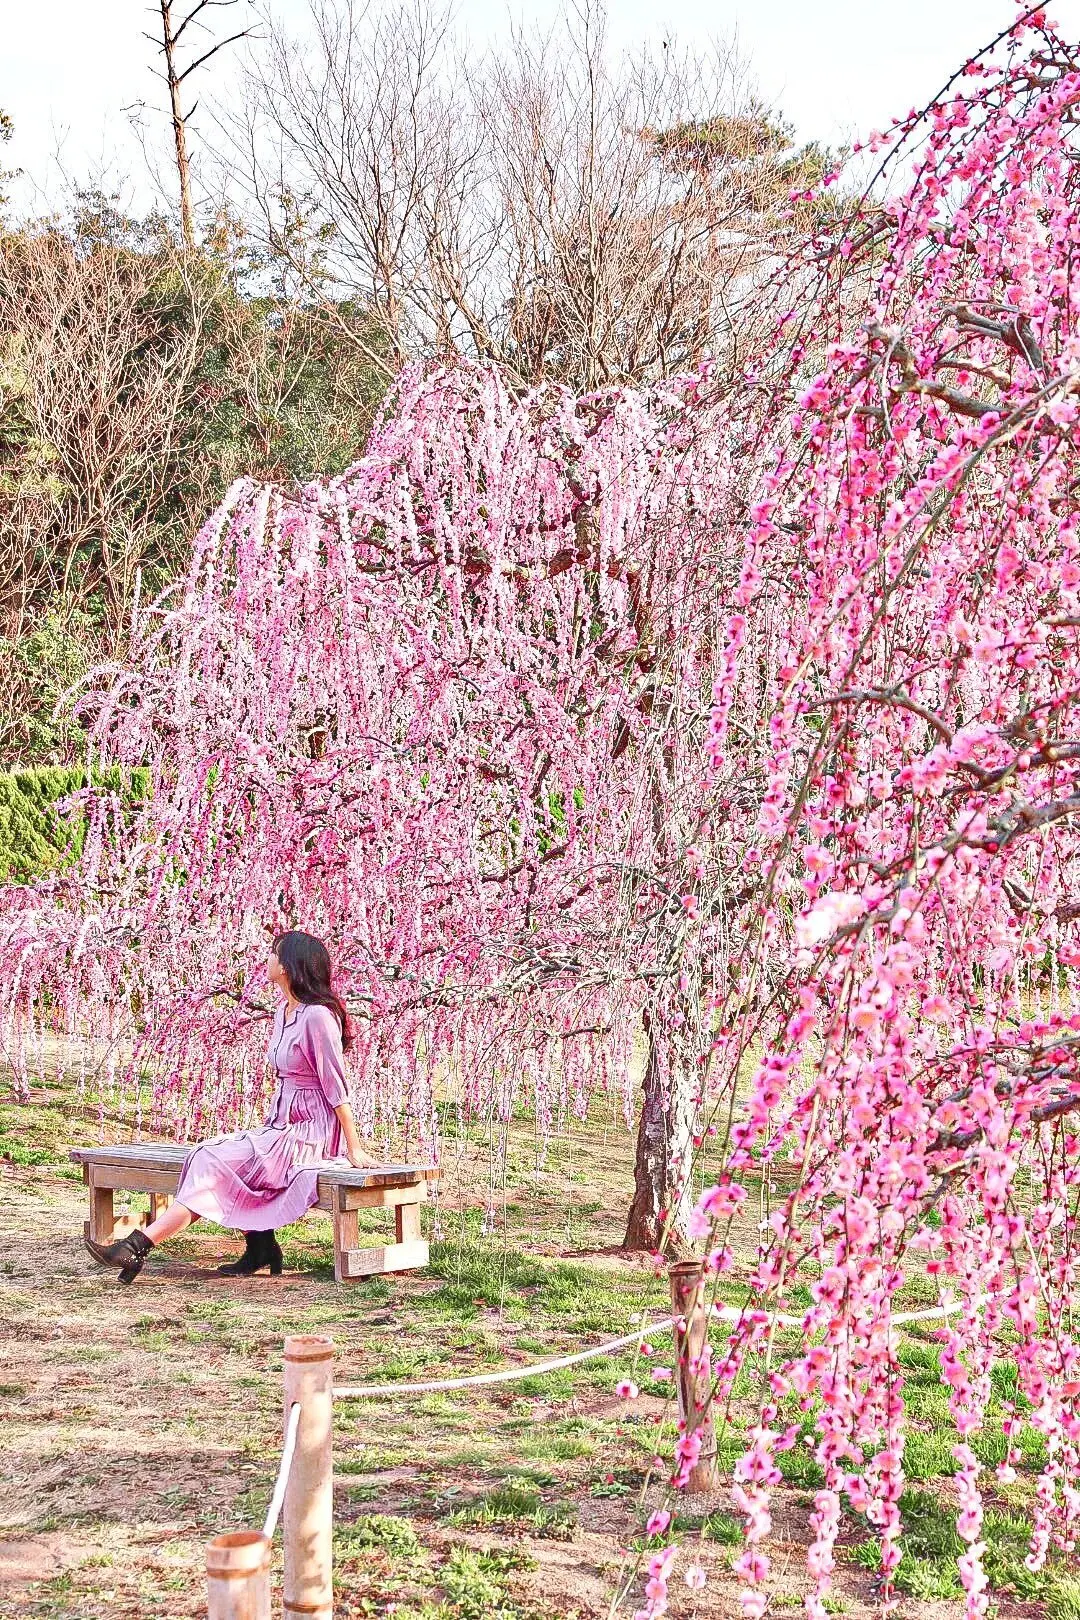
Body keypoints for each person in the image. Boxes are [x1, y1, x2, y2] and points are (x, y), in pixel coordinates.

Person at [84, 930, 376, 1283]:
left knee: (214, 1159)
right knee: (207, 1152)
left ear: (288, 966)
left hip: (311, 1130)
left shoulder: (317, 1017)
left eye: (273, 954)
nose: (267, 960)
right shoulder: (284, 1011)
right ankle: (260, 1246)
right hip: (281, 1122)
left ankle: (135, 1247)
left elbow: (336, 1084)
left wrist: (353, 1146)